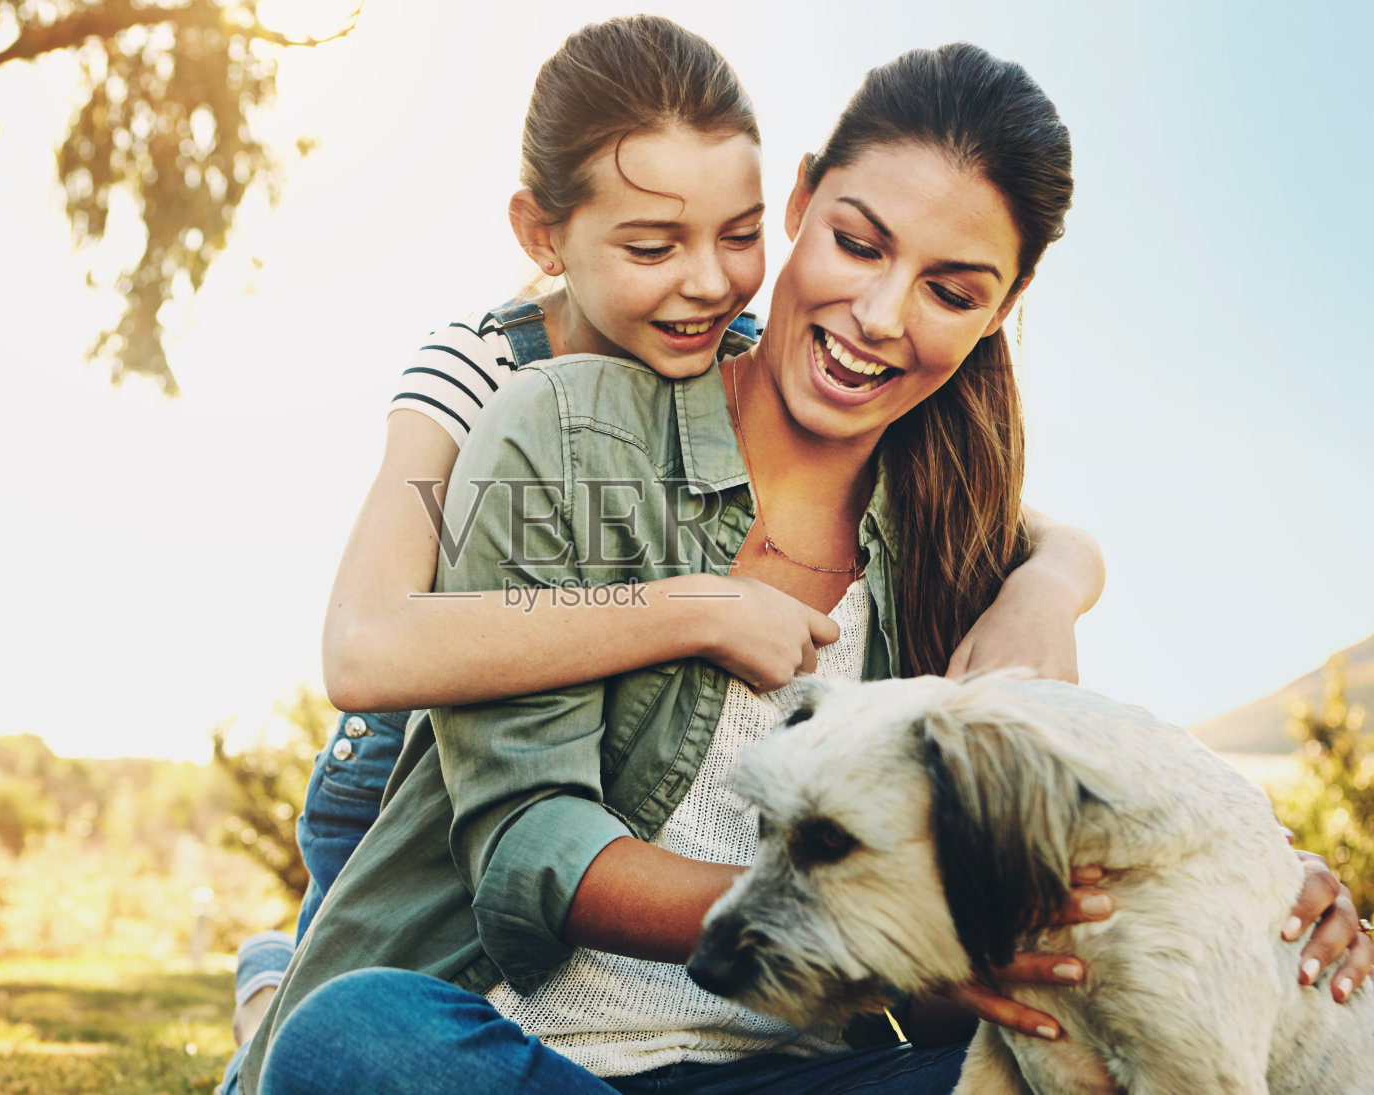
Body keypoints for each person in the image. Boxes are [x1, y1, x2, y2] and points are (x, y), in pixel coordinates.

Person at [229, 32, 1372, 1095]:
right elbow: (529, 845)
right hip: (529, 1057)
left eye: (950, 289)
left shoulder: (960, 534)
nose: (878, 314)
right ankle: (276, 999)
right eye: (858, 243)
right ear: (801, 202)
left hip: (807, 1071)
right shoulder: (559, 422)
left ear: (1004, 309)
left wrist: (1256, 904)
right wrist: (822, 923)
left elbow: (1042, 905)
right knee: (353, 1040)